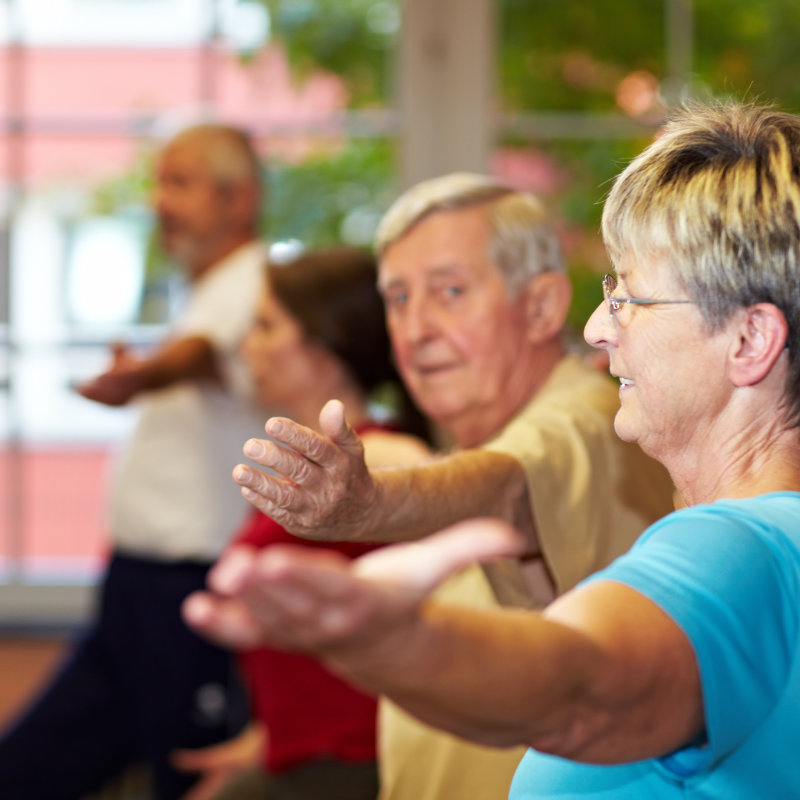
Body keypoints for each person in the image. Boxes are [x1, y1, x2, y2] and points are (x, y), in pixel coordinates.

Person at [185, 100, 800, 798]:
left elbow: (579, 685)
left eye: (631, 298)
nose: (598, 326)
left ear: (751, 341)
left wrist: (388, 637)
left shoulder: (736, 545)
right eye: (609, 292)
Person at [0, 123, 269, 800]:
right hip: (137, 591)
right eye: (158, 182)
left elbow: (200, 355)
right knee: (26, 767)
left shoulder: (253, 282)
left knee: (191, 779)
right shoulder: (203, 289)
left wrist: (139, 379)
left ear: (240, 201)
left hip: (192, 591)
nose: (160, 201)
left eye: (180, 182)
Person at [171, 247, 432, 800]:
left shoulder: (380, 453)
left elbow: (425, 478)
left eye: (265, 327)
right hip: (305, 753)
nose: (246, 347)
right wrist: (265, 738)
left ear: (324, 344)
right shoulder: (305, 462)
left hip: (355, 761)